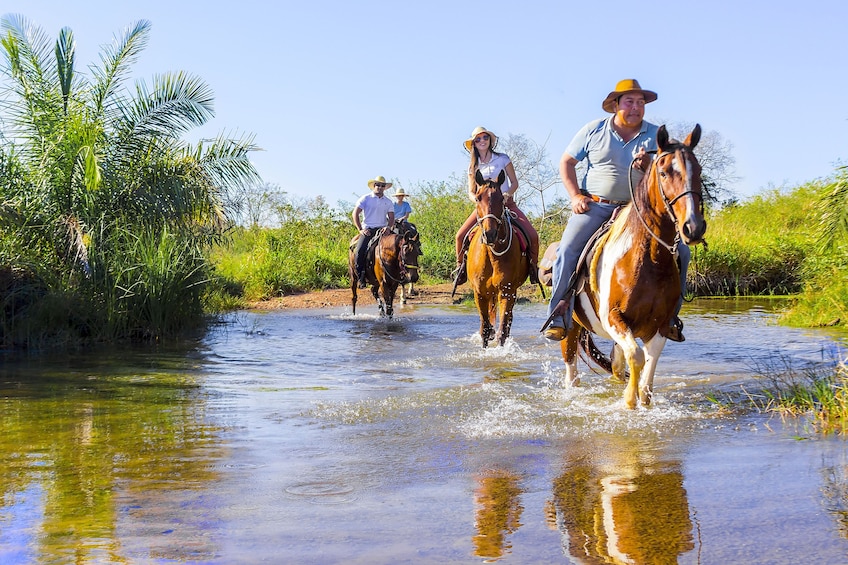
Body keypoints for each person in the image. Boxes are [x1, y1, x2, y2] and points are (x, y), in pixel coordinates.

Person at [543, 79, 690, 342]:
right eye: (630, 102)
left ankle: (670, 317)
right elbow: (566, 162)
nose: (636, 108)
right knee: (567, 251)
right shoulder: (593, 130)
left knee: (681, 251)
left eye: (641, 102)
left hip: (640, 212)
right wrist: (576, 195)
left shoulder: (658, 136)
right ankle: (559, 314)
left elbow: (673, 172)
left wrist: (649, 166)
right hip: (596, 206)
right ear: (615, 106)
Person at [453, 126, 540, 286]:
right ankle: (461, 269)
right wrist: (478, 200)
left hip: (507, 204)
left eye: (485, 137)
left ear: (490, 140)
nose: (482, 141)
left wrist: (507, 195)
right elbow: (471, 192)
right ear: (474, 143)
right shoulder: (473, 166)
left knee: (533, 235)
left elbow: (514, 182)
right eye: (478, 139)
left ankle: (534, 268)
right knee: (460, 236)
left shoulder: (503, 159)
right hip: (484, 209)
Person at [352, 175, 395, 288]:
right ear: (374, 186)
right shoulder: (365, 199)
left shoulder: (388, 202)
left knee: (399, 245)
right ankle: (361, 276)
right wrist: (360, 229)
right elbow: (355, 213)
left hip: (382, 230)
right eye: (377, 185)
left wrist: (389, 227)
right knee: (360, 250)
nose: (380, 187)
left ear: (385, 187)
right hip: (369, 230)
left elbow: (391, 217)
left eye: (382, 186)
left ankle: (398, 274)